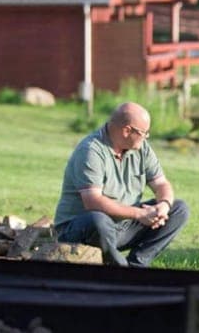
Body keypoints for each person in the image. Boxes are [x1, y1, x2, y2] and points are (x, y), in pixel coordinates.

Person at [54, 102, 189, 267]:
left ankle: (137, 264)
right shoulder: (90, 150)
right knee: (98, 220)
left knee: (179, 209)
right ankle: (119, 266)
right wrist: (140, 214)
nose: (146, 137)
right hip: (82, 228)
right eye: (144, 133)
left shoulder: (141, 147)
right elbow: (92, 201)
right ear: (127, 130)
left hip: (122, 226)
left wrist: (164, 205)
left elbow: (161, 183)